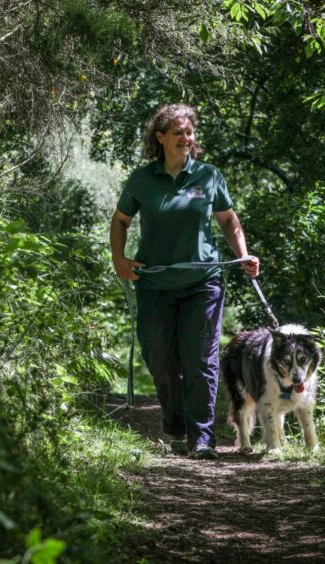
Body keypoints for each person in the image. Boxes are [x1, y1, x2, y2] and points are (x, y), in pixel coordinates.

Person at [110, 103, 260, 460]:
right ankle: (176, 424)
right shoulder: (142, 179)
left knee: (201, 359)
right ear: (160, 137)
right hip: (154, 285)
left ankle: (203, 437)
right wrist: (120, 259)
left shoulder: (208, 176)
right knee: (161, 359)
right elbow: (120, 221)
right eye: (177, 133)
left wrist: (243, 255)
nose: (185, 138)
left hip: (203, 283)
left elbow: (228, 220)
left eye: (189, 132)